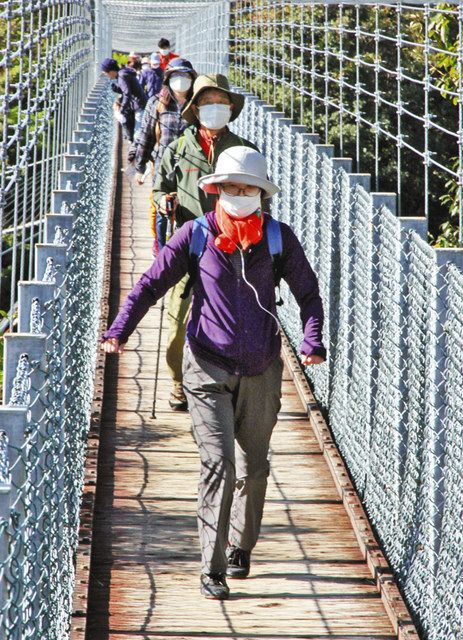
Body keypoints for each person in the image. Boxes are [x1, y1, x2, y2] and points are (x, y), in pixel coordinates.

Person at [101, 146, 326, 600]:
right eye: (230, 188)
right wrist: (119, 330)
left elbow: (309, 294)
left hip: (262, 367)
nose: (237, 195)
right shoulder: (195, 235)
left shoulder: (279, 239)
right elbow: (149, 285)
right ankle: (212, 567)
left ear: (261, 195)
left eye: (247, 189)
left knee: (254, 466)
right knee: (218, 462)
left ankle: (242, 546)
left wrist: (312, 340)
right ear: (216, 190)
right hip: (206, 364)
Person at [152, 73, 257, 411]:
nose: (215, 109)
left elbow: (259, 197)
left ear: (230, 107)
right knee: (179, 321)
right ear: (195, 109)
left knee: (235, 319)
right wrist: (163, 199)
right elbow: (158, 187)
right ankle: (179, 383)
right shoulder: (178, 149)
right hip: (190, 247)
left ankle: (226, 384)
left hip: (234, 248)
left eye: (221, 103)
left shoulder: (244, 151)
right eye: (208, 103)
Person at [134, 58, 196, 252]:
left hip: (191, 166)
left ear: (192, 79)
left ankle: (188, 250)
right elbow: (146, 135)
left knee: (189, 207)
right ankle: (162, 253)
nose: (181, 80)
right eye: (176, 75)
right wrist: (140, 166)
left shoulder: (199, 104)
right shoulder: (157, 102)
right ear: (168, 78)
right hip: (163, 165)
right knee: (162, 208)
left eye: (185, 75)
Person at [101, 57, 147, 143]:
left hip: (139, 105)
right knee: (136, 130)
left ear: (110, 71)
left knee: (138, 133)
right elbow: (129, 89)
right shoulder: (123, 73)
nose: (106, 75)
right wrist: (116, 89)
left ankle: (136, 152)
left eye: (105, 73)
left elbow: (127, 94)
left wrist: (121, 109)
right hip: (139, 104)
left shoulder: (121, 76)